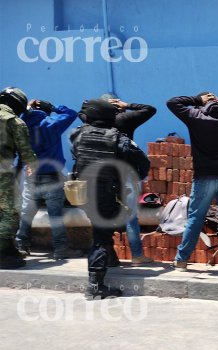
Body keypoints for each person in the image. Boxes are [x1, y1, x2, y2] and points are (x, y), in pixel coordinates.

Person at [71, 99, 150, 299]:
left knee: (101, 230)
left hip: (82, 192)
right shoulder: (118, 138)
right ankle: (95, 285)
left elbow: (76, 154)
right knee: (101, 236)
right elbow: (142, 161)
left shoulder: (78, 134)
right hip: (106, 193)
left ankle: (110, 260)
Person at [167, 92, 218, 275]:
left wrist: (198, 100)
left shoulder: (195, 117)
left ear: (203, 106)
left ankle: (181, 260)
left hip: (203, 178)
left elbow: (173, 102)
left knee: (195, 219)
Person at [91, 93, 157, 267]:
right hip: (126, 174)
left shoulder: (91, 124)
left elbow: (80, 113)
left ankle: (108, 255)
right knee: (130, 216)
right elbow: (149, 109)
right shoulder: (124, 119)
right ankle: (137, 255)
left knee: (104, 215)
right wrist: (126, 105)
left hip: (103, 177)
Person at [16, 99, 82, 259]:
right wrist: (54, 107)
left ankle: (21, 246)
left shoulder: (21, 123)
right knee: (55, 215)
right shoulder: (51, 123)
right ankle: (61, 249)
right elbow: (72, 114)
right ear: (47, 111)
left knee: (27, 213)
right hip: (51, 176)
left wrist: (26, 110)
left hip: (30, 175)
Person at [0, 87, 37, 269]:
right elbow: (26, 152)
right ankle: (2, 252)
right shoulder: (13, 122)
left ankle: (9, 249)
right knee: (12, 211)